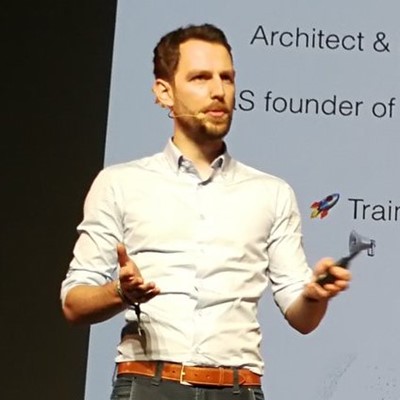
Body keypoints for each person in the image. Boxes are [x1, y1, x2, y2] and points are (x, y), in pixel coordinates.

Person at [61, 23, 351, 400]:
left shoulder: (271, 192)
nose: (219, 91)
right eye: (200, 78)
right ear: (164, 92)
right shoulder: (120, 183)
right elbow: (74, 303)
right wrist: (121, 292)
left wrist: (315, 295)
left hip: (237, 389)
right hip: (148, 386)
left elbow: (302, 318)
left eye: (226, 78)